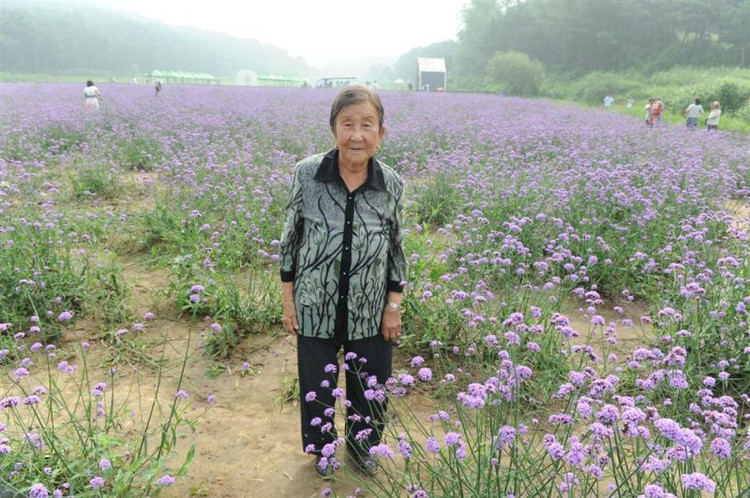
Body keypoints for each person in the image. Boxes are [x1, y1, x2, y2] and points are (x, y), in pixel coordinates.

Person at [279, 85, 406, 479]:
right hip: (314, 302)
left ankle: (363, 446)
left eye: (367, 125)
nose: (356, 135)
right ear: (333, 129)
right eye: (347, 124)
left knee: (370, 382)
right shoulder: (307, 174)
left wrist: (393, 306)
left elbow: (396, 249)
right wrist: (289, 298)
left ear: (381, 134)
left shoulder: (391, 184)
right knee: (317, 381)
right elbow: (290, 239)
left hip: (370, 308)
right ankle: (322, 449)